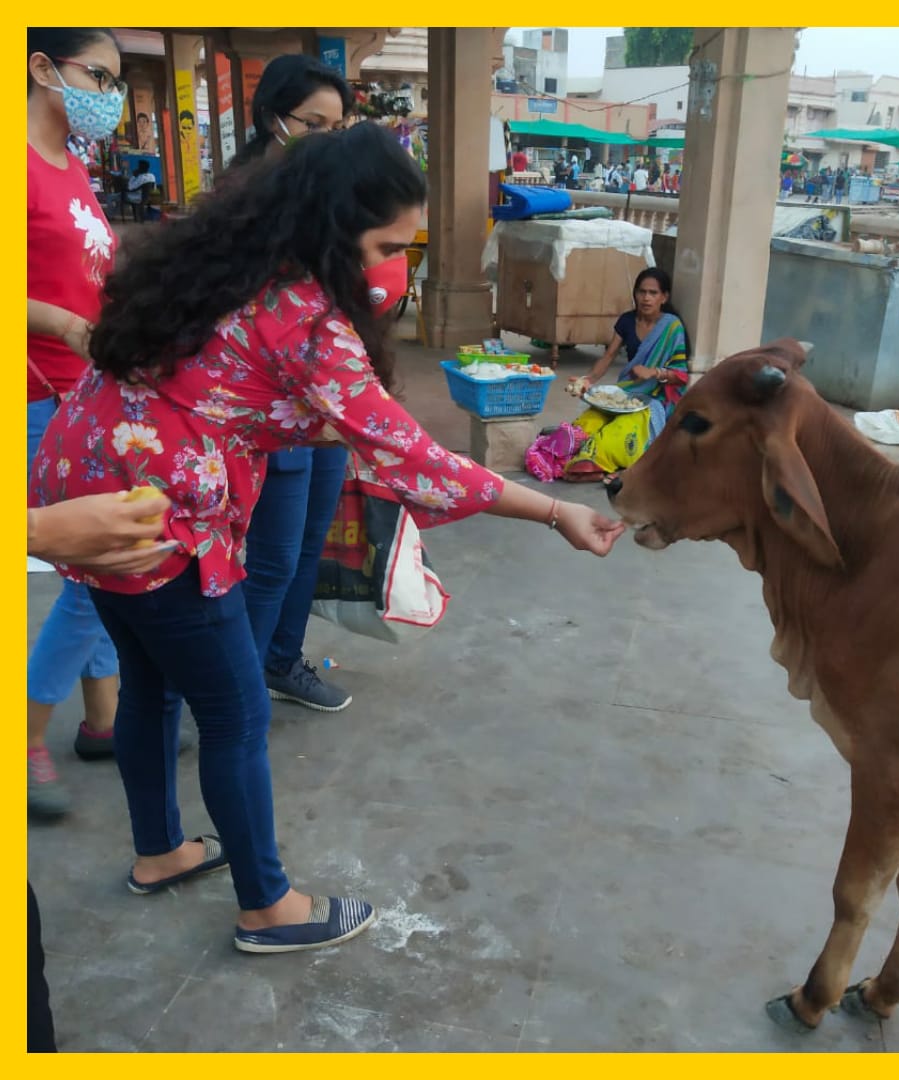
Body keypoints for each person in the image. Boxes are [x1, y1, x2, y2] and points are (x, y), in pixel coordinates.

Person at [29, 123, 624, 954]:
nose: (394, 265)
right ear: (338, 227)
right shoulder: (301, 318)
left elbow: (224, 392)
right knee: (234, 711)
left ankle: (161, 851)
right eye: (387, 244)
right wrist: (554, 509)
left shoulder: (218, 262)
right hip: (157, 517)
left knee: (149, 684)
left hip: (86, 478)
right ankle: (267, 907)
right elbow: (418, 460)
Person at [229, 54, 357, 711]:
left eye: (341, 126)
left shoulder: (328, 199)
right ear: (274, 119)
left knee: (308, 545)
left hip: (323, 400)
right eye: (316, 123)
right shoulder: (245, 201)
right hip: (270, 405)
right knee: (273, 557)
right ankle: (237, 691)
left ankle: (280, 661)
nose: (330, 139)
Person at [28, 492, 175, 1052]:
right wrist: (38, 527)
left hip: (81, 406)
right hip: (44, 407)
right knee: (88, 587)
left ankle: (101, 718)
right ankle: (25, 735)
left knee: (95, 585)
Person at [26, 27, 128, 817]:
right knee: (94, 568)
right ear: (40, 67)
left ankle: (103, 723)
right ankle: (22, 733)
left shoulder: (73, 166)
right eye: (98, 75)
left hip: (83, 392)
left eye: (116, 81)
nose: (109, 96)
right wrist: (61, 325)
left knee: (101, 564)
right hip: (34, 394)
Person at [561, 267, 690, 482]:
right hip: (627, 392)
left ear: (664, 297)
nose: (646, 298)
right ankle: (568, 453)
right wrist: (588, 380)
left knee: (622, 430)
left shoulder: (672, 327)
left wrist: (655, 372)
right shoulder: (627, 321)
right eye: (641, 292)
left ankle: (597, 462)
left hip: (656, 398)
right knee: (588, 422)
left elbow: (681, 376)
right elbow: (609, 355)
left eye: (653, 293)